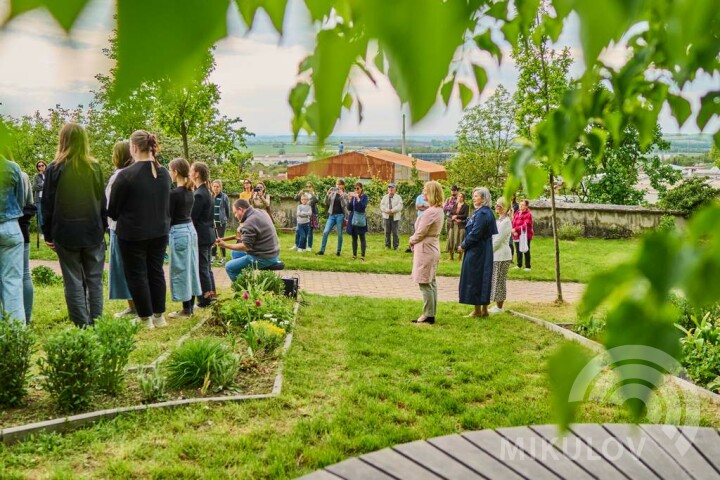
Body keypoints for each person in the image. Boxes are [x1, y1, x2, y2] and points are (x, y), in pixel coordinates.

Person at [42, 123, 107, 328]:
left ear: (63, 140)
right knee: (94, 280)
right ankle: (96, 323)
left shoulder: (54, 168)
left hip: (65, 232)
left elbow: (47, 204)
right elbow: (101, 200)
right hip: (92, 231)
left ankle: (82, 326)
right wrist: (103, 226)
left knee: (73, 281)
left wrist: (48, 234)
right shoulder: (94, 167)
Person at [108, 130, 171, 329]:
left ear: (134, 148)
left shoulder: (126, 175)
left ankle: (145, 318)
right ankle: (159, 316)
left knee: (137, 274)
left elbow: (112, 210)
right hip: (160, 231)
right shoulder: (164, 173)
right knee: (156, 271)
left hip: (133, 233)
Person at [168, 158, 202, 318]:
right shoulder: (190, 191)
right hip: (190, 230)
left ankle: (186, 309)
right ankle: (190, 308)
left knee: (181, 269)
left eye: (170, 170)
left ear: (175, 171)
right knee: (192, 268)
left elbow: (168, 217)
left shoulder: (174, 194)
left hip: (179, 232)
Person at [106, 141, 136, 319]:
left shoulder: (118, 176)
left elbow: (110, 204)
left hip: (119, 227)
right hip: (138, 226)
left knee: (124, 268)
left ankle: (133, 306)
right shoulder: (138, 174)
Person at [217, 199, 281, 282]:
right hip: (273, 253)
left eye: (235, 212)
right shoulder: (261, 212)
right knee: (235, 253)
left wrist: (225, 245)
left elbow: (245, 246)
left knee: (229, 267)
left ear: (241, 209)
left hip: (265, 258)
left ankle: (245, 291)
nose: (235, 216)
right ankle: (245, 278)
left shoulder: (249, 222)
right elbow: (253, 235)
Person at [458, 187, 497, 318]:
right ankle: (483, 310)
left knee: (475, 278)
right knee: (482, 278)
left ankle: (478, 310)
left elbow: (475, 233)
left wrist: (463, 245)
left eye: (476, 196)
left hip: (477, 251)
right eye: (473, 196)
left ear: (483, 198)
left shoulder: (482, 214)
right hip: (483, 250)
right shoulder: (485, 212)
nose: (473, 198)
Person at [409, 181, 445, 325]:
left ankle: (427, 315)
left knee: (424, 282)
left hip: (426, 249)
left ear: (431, 192)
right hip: (431, 247)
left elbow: (420, 233)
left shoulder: (431, 212)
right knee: (431, 282)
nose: (423, 192)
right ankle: (430, 313)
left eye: (425, 190)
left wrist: (411, 240)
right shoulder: (438, 210)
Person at [0, 157, 25, 323]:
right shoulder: (12, 168)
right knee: (13, 282)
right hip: (10, 226)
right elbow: (20, 200)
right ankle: (16, 335)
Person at [190, 162, 216, 308]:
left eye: (191, 171)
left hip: (201, 235)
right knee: (207, 268)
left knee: (202, 269)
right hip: (207, 234)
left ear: (197, 174)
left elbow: (193, 217)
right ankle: (210, 296)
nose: (189, 173)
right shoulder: (206, 191)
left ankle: (205, 300)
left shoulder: (199, 194)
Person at [489, 197, 513, 314]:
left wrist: (488, 252)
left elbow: (498, 240)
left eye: (498, 205)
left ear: (503, 207)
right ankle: (496, 305)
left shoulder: (506, 222)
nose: (495, 207)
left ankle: (499, 307)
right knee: (495, 280)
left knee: (499, 281)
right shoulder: (499, 220)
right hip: (496, 254)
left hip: (502, 255)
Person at [19, 170, 36, 324]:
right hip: (22, 230)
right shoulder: (22, 175)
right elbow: (30, 204)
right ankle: (26, 316)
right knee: (25, 273)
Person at [316, 179, 347, 256]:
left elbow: (345, 205)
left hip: (340, 215)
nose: (338, 186)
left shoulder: (345, 194)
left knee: (339, 234)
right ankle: (322, 250)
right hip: (332, 215)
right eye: (337, 184)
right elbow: (326, 202)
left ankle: (338, 251)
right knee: (325, 232)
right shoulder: (333, 193)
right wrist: (327, 194)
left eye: (340, 184)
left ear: (343, 186)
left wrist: (341, 195)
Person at [346, 181, 369, 261]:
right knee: (354, 238)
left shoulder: (365, 197)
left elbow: (362, 207)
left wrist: (358, 198)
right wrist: (349, 200)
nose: (356, 190)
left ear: (361, 188)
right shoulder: (353, 197)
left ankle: (362, 256)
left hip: (360, 219)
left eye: (358, 188)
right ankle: (354, 255)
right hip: (353, 219)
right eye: (355, 188)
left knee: (362, 237)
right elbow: (349, 208)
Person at [211, 180, 231, 264]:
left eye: (217, 187)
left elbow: (227, 209)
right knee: (213, 240)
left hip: (221, 222)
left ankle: (223, 257)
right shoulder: (210, 196)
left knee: (220, 239)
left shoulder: (224, 196)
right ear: (212, 187)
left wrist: (226, 218)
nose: (216, 188)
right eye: (214, 186)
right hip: (212, 222)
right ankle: (213, 256)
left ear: (220, 187)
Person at [295, 181, 319, 251]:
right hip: (301, 216)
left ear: (312, 187)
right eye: (307, 187)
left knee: (309, 231)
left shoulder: (314, 194)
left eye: (310, 186)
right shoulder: (303, 194)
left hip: (311, 214)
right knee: (298, 230)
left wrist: (312, 193)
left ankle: (309, 246)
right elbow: (295, 198)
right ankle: (297, 245)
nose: (308, 188)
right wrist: (299, 193)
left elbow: (317, 200)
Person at [511, 199, 534, 271]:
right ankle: (519, 265)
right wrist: (513, 230)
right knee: (518, 250)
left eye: (522, 205)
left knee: (526, 249)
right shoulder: (517, 212)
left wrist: (516, 229)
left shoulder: (528, 214)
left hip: (525, 235)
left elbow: (525, 225)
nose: (520, 206)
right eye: (520, 204)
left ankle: (528, 267)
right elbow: (513, 222)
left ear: (526, 206)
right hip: (516, 234)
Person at [380, 183, 403, 250]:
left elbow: (400, 206)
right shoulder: (384, 197)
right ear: (388, 189)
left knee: (395, 232)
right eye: (389, 188)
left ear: (395, 189)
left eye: (392, 188)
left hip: (395, 217)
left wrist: (392, 211)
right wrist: (387, 210)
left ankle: (396, 246)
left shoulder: (398, 197)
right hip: (386, 217)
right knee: (387, 232)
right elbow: (382, 206)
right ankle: (387, 245)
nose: (391, 189)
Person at [449, 192, 469, 261]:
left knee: (460, 240)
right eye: (459, 196)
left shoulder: (466, 206)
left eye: (461, 197)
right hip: (453, 225)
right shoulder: (455, 205)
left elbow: (465, 215)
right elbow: (450, 214)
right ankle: (451, 257)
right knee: (451, 239)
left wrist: (457, 216)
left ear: (463, 198)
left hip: (461, 225)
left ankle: (460, 258)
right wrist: (453, 217)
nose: (460, 198)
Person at [443, 185, 459, 257]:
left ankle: (458, 253)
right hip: (449, 218)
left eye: (454, 190)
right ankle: (450, 254)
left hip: (456, 219)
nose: (453, 191)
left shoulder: (459, 198)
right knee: (449, 236)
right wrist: (452, 207)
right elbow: (444, 207)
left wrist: (450, 207)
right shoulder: (448, 199)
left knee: (456, 236)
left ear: (457, 191)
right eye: (452, 190)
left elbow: (458, 208)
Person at [32, 160, 46, 231]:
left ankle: (49, 231)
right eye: (39, 166)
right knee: (40, 216)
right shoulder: (36, 176)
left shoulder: (48, 175)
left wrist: (40, 185)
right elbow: (34, 187)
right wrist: (43, 184)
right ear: (37, 167)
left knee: (48, 215)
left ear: (45, 166)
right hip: (39, 199)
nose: (41, 167)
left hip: (47, 198)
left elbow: (50, 186)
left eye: (42, 165)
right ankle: (42, 233)